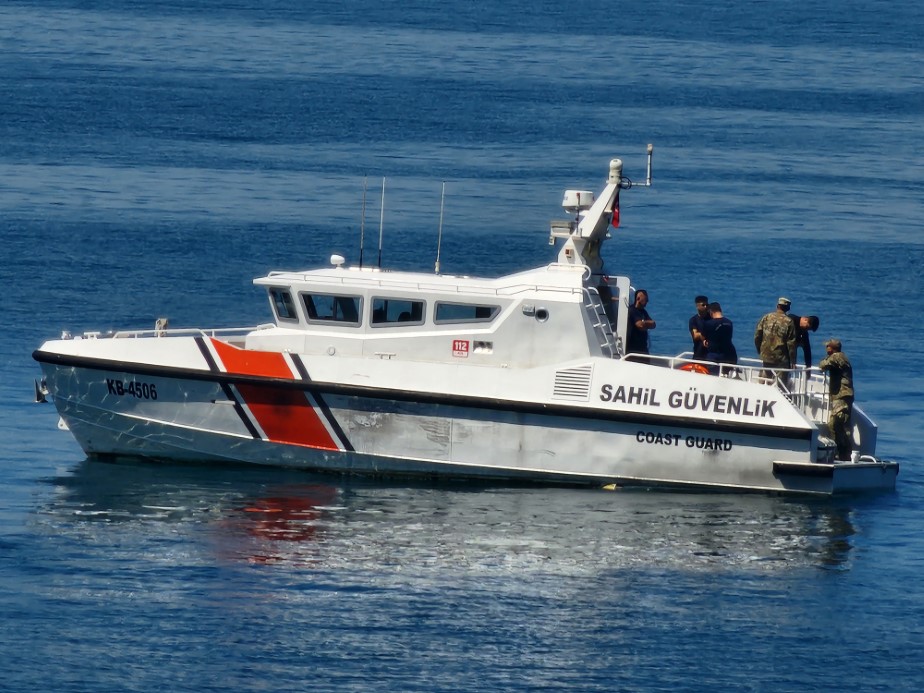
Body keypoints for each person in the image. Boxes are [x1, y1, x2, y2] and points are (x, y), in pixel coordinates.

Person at [819, 338, 854, 461]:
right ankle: (843, 453)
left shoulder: (837, 357)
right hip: (842, 396)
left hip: (842, 396)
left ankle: (842, 453)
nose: (826, 348)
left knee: (836, 424)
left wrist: (825, 359)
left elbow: (823, 365)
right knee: (841, 426)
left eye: (827, 346)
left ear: (832, 348)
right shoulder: (841, 357)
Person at [754, 297, 797, 383]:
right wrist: (793, 361)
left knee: (764, 380)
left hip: (766, 355)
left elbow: (757, 336)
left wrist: (760, 350)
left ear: (777, 306)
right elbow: (791, 344)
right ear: (788, 308)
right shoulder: (789, 322)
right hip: (780, 358)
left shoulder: (766, 317)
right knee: (780, 384)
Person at [703, 302, 737, 374]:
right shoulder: (729, 323)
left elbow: (706, 339)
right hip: (730, 355)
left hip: (715, 356)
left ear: (711, 312)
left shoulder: (709, 324)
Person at [626, 289, 656, 363]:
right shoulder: (632, 310)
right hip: (633, 349)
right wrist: (646, 324)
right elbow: (639, 325)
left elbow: (653, 324)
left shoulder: (644, 312)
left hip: (643, 348)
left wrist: (644, 322)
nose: (647, 301)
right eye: (645, 299)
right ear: (638, 298)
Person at [688, 295, 710, 361]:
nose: (706, 307)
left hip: (711, 353)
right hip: (698, 353)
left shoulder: (711, 318)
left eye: (707, 305)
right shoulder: (693, 320)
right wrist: (704, 334)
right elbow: (695, 335)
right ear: (697, 306)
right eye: (703, 305)